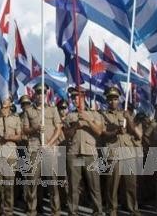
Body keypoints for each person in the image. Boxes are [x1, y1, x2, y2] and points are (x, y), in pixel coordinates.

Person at [22, 83, 63, 216]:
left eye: (43, 93)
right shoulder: (29, 111)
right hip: (34, 149)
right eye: (39, 93)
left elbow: (58, 129)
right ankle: (31, 211)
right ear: (35, 94)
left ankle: (55, 212)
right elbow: (25, 130)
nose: (41, 95)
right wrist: (35, 129)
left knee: (53, 184)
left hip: (50, 149)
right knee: (32, 183)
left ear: (46, 95)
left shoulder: (52, 109)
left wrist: (50, 144)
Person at [99, 86, 141, 216]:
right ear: (107, 100)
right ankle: (112, 210)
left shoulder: (125, 113)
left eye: (115, 99)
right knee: (112, 185)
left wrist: (128, 118)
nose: (113, 101)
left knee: (131, 184)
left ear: (119, 100)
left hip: (128, 151)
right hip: (114, 152)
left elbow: (135, 131)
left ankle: (133, 209)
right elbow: (102, 133)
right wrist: (115, 131)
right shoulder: (103, 115)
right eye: (110, 99)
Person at [63, 86, 104, 216]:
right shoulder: (69, 116)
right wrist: (76, 125)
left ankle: (97, 211)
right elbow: (67, 135)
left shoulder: (94, 114)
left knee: (94, 186)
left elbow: (99, 131)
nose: (75, 99)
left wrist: (87, 119)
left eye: (77, 97)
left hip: (90, 154)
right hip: (74, 154)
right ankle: (72, 212)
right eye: (73, 97)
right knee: (74, 186)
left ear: (83, 97)